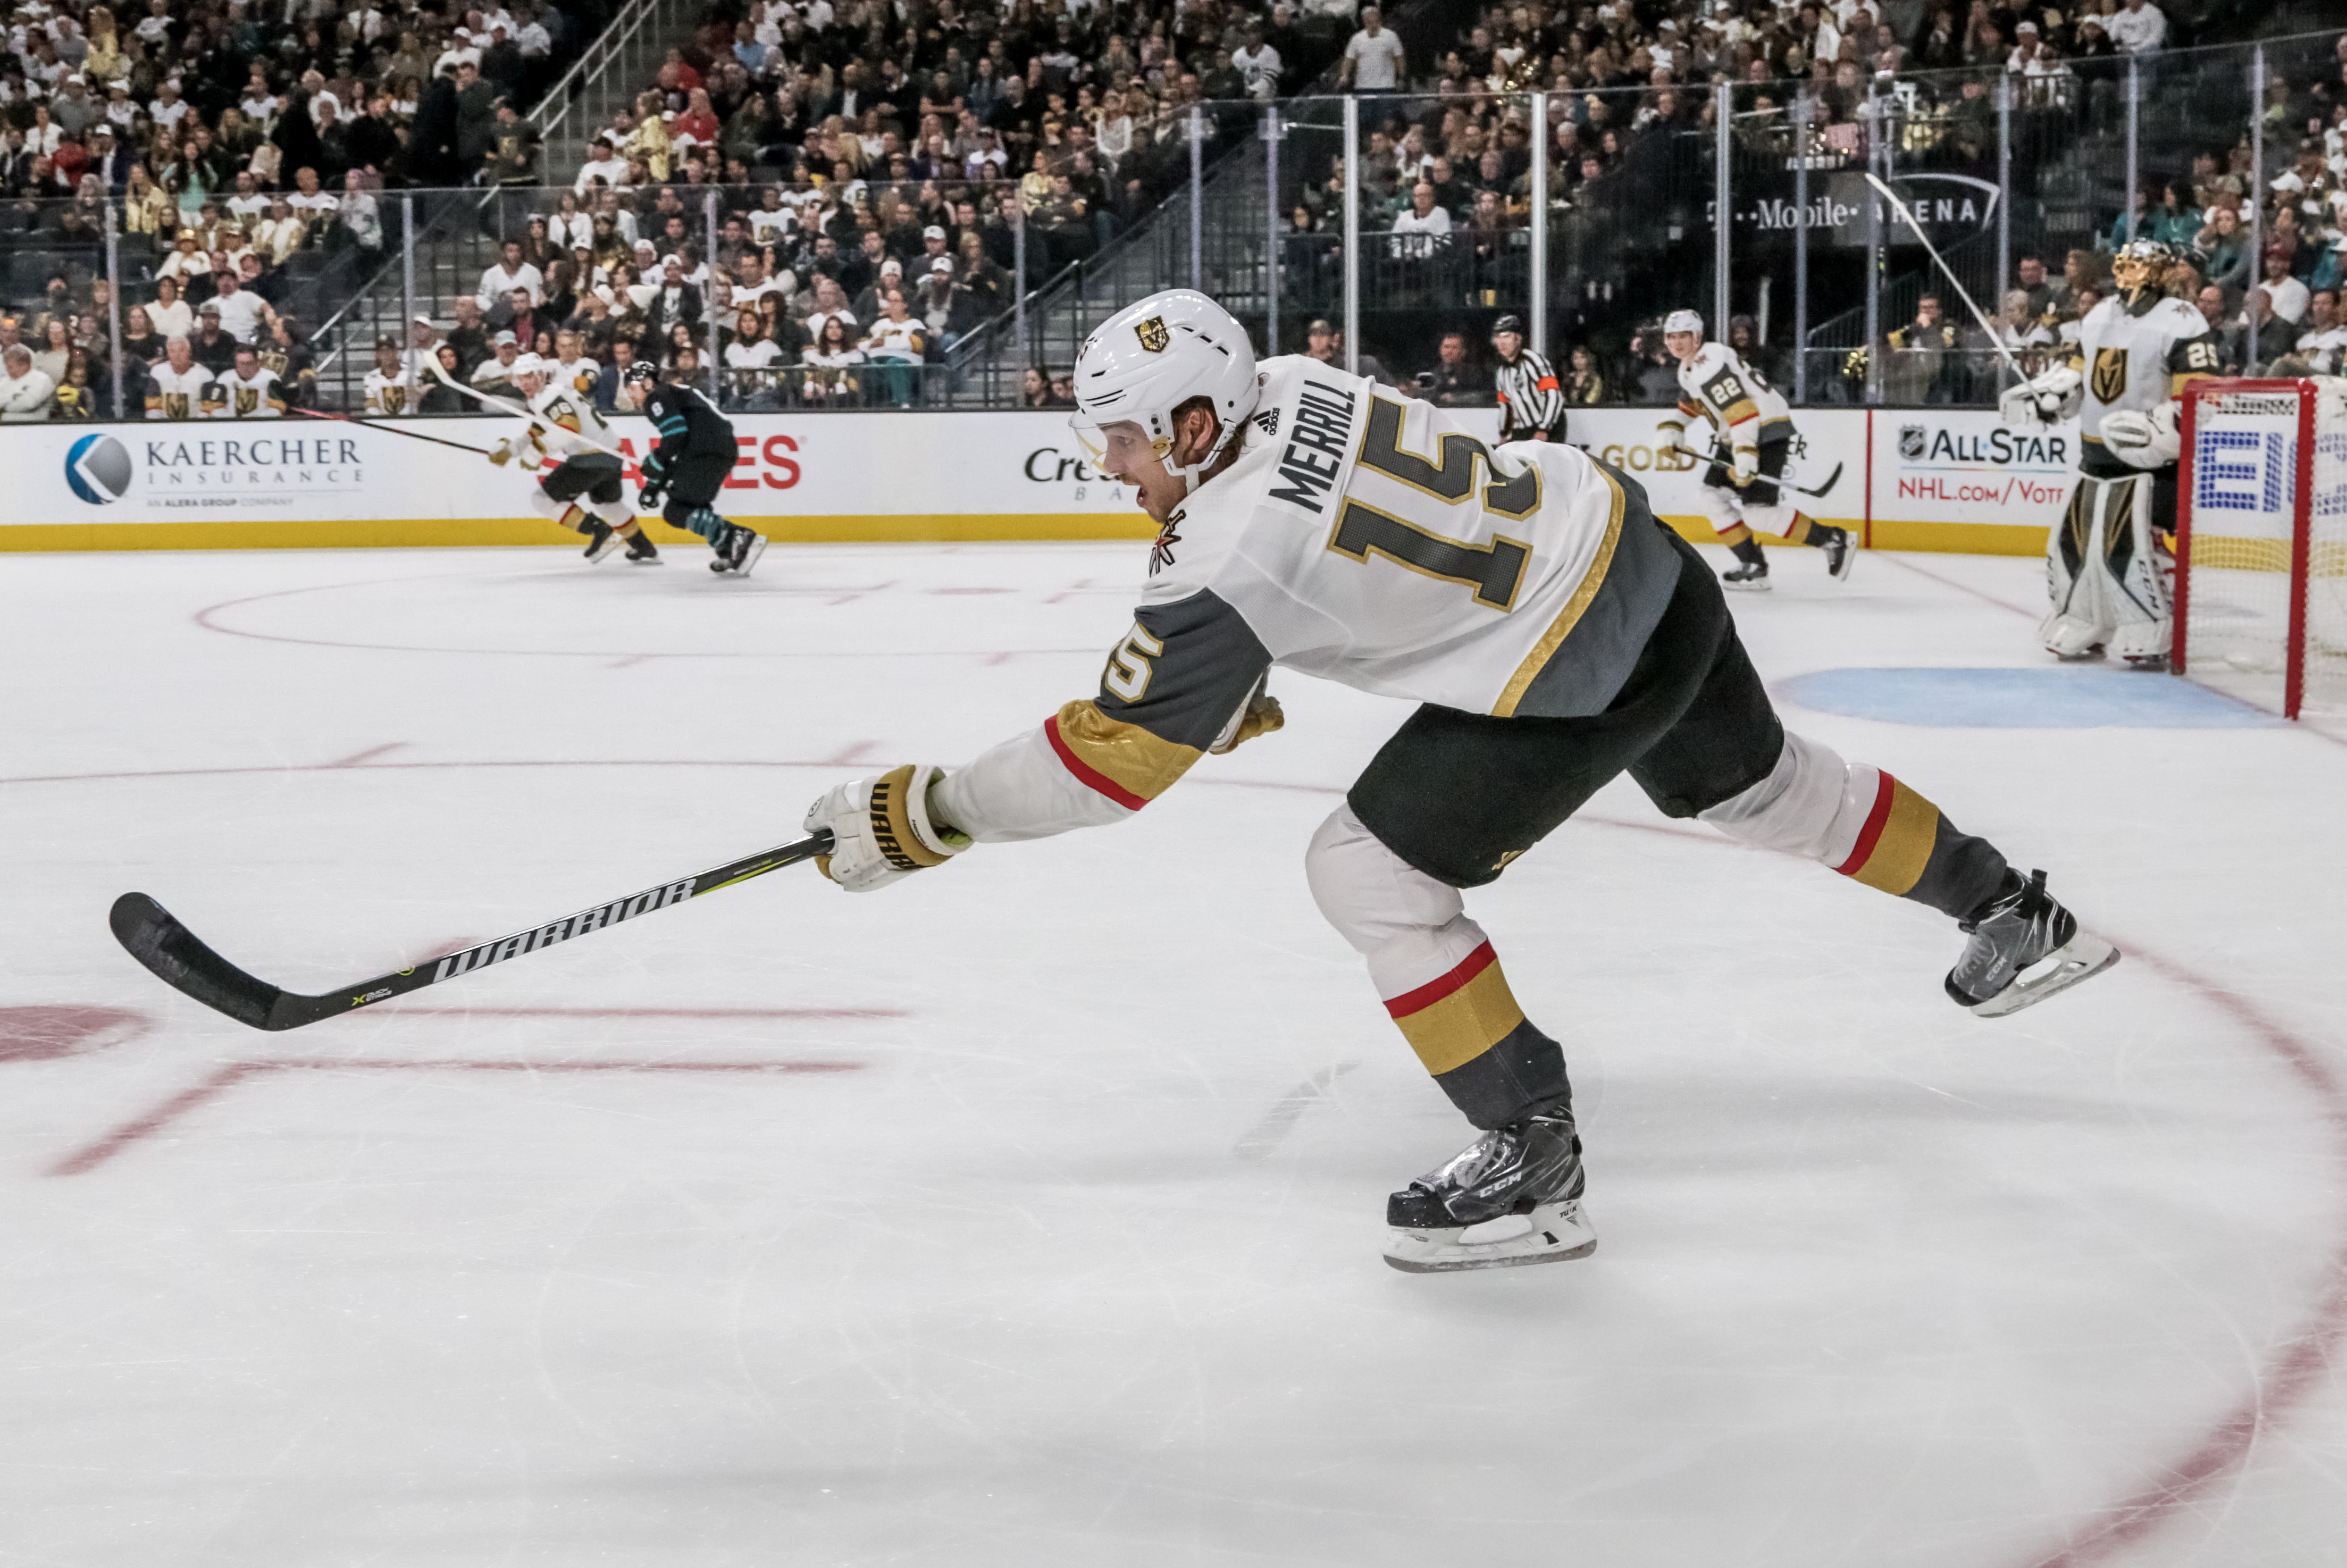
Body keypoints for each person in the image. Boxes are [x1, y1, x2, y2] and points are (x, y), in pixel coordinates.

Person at [797, 290, 2118, 1275]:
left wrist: (931, 814)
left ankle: (1530, 1159)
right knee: (1762, 786)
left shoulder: (1220, 552)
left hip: (1575, 655)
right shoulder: (1296, 378)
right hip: (1640, 556)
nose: (1110, 467)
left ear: (1196, 425)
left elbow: (1109, 761)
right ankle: (2015, 910)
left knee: (1365, 871)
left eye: (1125, 443)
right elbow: (1352, 546)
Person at [2000, 239, 2222, 667]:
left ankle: (2152, 622)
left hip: (2150, 464)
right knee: (2075, 546)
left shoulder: (2182, 318)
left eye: (2138, 265)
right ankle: (2081, 617)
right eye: (2124, 263)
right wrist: (2051, 396)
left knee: (2134, 548)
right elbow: (2079, 372)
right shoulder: (2100, 314)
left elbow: (2201, 396)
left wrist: (2159, 429)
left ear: (2158, 271)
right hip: (2095, 456)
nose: (2127, 272)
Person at [1658, 308, 1853, 590]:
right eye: (1671, 337)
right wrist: (1673, 427)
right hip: (1738, 435)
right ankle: (1753, 566)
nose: (1676, 343)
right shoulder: (1691, 367)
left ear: (1697, 337)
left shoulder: (1709, 362)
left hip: (1764, 433)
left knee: (1758, 512)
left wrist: (1746, 455)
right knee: (1712, 497)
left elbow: (1743, 412)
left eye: (1683, 336)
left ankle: (1833, 539)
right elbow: (1694, 404)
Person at [488, 354, 658, 564]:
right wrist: (511, 450)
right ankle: (645, 548)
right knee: (608, 505)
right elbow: (537, 431)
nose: (524, 383)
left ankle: (599, 530)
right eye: (520, 378)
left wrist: (537, 452)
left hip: (590, 457)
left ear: (542, 375)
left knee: (542, 499)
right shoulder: (551, 394)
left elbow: (569, 427)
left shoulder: (549, 396)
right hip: (612, 454)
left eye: (529, 376)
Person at [622, 358, 767, 576]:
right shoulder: (672, 393)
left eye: (633, 389)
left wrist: (656, 460)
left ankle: (736, 537)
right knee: (691, 506)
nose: (631, 396)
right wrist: (654, 484)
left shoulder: (656, 397)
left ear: (648, 383)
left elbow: (675, 435)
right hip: (716, 448)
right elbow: (676, 450)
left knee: (676, 511)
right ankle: (729, 550)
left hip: (706, 451)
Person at [1489, 314, 1563, 443]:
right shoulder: (1502, 371)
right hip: (1523, 430)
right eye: (1498, 337)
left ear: (1518, 339)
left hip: (1546, 426)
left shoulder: (1534, 361)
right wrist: (1504, 433)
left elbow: (1553, 395)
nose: (1501, 343)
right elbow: (1506, 406)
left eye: (1506, 337)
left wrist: (1544, 428)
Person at [145, 334, 213, 418]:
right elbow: (153, 409)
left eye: (181, 351)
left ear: (189, 352)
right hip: (164, 424)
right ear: (168, 354)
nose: (177, 355)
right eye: (172, 351)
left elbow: (206, 411)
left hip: (195, 424)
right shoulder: (157, 372)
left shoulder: (205, 375)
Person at [211, 343, 286, 417]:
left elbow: (278, 410)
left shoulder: (271, 378)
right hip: (231, 423)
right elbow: (215, 410)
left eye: (249, 363)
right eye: (241, 363)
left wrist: (256, 419)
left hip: (262, 423)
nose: (245, 367)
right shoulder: (224, 378)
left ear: (258, 362)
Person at [362, 334, 416, 415]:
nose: (386, 354)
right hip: (383, 420)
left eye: (389, 350)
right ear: (377, 355)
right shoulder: (371, 378)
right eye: (382, 351)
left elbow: (414, 402)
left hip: (408, 420)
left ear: (396, 352)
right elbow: (371, 406)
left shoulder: (410, 374)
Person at [0, 343, 54, 421]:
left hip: (34, 424)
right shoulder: (5, 381)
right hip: (5, 424)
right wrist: (13, 397)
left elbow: (30, 403)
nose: (7, 370)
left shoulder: (42, 379)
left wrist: (3, 407)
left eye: (10, 367)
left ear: (24, 365)